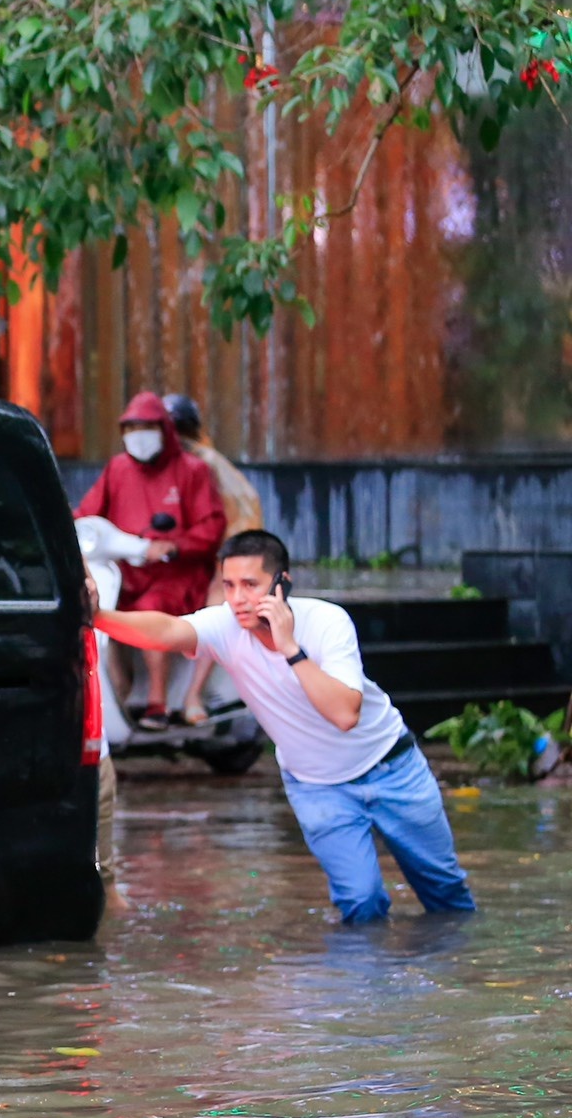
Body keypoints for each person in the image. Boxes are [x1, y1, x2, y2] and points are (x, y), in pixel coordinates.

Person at [96, 530, 474, 924]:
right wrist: (99, 617)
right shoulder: (225, 624)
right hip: (317, 787)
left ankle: (457, 977)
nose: (238, 599)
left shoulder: (327, 621)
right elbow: (168, 631)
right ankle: (362, 984)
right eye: (228, 585)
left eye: (250, 585)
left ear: (282, 584)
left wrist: (290, 647)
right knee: (361, 903)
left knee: (445, 892)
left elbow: (345, 713)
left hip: (393, 769)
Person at [74, 391, 223, 729]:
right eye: (131, 427)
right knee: (97, 613)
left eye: (146, 427)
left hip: (177, 575)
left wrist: (174, 545)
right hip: (127, 570)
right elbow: (87, 512)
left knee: (150, 607)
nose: (138, 435)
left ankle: (158, 701)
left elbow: (212, 526)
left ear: (164, 429)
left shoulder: (193, 470)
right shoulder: (118, 468)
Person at [167, 393, 267, 727]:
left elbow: (235, 516)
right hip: (188, 551)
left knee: (218, 605)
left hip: (223, 554)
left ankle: (193, 693)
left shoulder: (202, 462)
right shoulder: (166, 463)